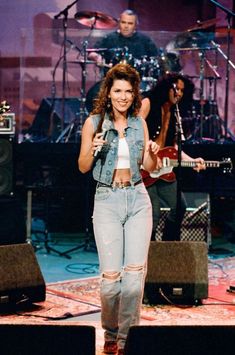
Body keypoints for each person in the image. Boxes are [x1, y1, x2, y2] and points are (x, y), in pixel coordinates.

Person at [78, 63, 159, 354]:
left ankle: (126, 341)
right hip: (107, 201)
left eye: (128, 91)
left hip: (137, 198)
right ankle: (111, 334)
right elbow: (83, 166)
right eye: (117, 91)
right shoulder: (94, 122)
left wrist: (152, 154)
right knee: (111, 279)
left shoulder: (139, 122)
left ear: (134, 93)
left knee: (135, 277)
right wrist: (94, 148)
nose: (123, 96)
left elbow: (148, 168)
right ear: (108, 93)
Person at [138, 72, 206, 242]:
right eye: (176, 89)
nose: (179, 93)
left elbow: (174, 147)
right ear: (166, 88)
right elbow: (133, 131)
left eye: (183, 91)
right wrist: (147, 151)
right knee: (152, 212)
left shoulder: (175, 113)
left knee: (179, 207)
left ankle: (169, 247)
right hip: (144, 168)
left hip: (163, 170)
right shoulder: (148, 102)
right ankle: (147, 254)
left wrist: (191, 161)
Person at [86, 9, 160, 112]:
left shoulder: (145, 41)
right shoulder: (109, 38)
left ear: (135, 25)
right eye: (123, 22)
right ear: (119, 22)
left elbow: (157, 58)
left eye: (130, 23)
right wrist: (97, 57)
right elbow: (92, 52)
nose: (126, 26)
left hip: (137, 83)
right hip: (112, 82)